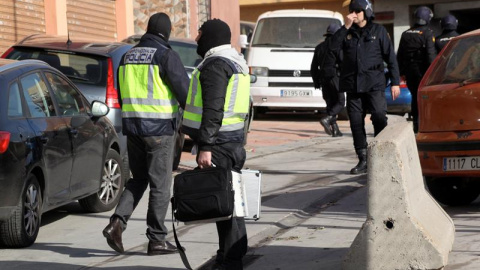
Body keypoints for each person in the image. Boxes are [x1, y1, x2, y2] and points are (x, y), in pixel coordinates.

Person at [102, 12, 189, 256]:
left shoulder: (127, 56)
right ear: (167, 33)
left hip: (133, 129)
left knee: (138, 179)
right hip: (159, 130)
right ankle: (157, 240)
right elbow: (185, 95)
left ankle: (117, 223)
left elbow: (121, 95)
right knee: (161, 184)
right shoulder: (166, 55)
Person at [181, 19, 249, 270]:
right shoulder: (236, 62)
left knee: (224, 207)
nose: (197, 38)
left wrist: (206, 146)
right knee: (230, 204)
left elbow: (213, 108)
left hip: (219, 143)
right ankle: (230, 256)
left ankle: (231, 261)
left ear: (210, 36)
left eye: (200, 33)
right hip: (231, 141)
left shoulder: (215, 65)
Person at [329, 0, 400, 174]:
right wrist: (344, 28)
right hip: (353, 85)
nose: (354, 14)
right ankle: (363, 158)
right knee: (355, 122)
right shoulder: (346, 33)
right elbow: (331, 48)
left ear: (366, 12)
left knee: (378, 116)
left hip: (374, 82)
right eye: (351, 10)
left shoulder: (379, 31)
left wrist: (395, 82)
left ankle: (381, 156)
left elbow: (390, 57)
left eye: (358, 11)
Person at [397, 6, 436, 133]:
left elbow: (400, 56)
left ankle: (416, 123)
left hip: (410, 72)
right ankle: (426, 123)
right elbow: (431, 55)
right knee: (425, 97)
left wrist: (401, 72)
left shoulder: (405, 34)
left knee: (415, 96)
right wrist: (433, 73)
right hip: (423, 72)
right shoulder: (427, 33)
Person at [310, 23, 344, 137]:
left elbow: (313, 67)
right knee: (340, 102)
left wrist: (316, 81)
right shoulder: (337, 45)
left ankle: (335, 130)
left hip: (323, 79)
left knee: (330, 103)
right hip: (335, 77)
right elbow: (342, 61)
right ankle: (327, 118)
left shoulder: (319, 47)